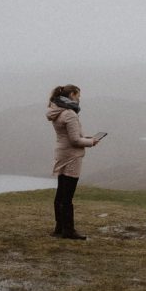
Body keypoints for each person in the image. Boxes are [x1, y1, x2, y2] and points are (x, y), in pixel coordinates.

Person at [46, 85, 100, 240]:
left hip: (61, 153)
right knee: (67, 195)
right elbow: (75, 140)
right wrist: (91, 143)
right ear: (71, 94)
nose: (79, 98)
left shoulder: (57, 111)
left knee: (61, 192)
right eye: (78, 95)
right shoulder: (69, 113)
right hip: (71, 156)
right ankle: (68, 230)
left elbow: (69, 135)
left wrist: (88, 138)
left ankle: (59, 227)